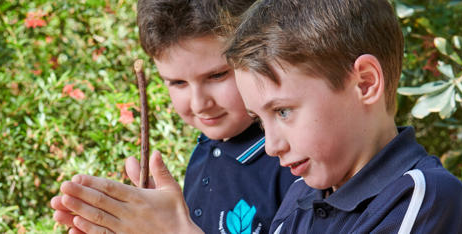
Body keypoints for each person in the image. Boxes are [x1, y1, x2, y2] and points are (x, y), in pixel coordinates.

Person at [224, 0, 462, 233]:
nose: (271, 146)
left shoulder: (423, 198)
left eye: (283, 111)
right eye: (259, 120)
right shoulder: (299, 198)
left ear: (365, 83)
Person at [50, 0, 297, 233]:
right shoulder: (205, 152)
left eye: (217, 75)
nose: (199, 103)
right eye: (178, 82)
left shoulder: (296, 162)